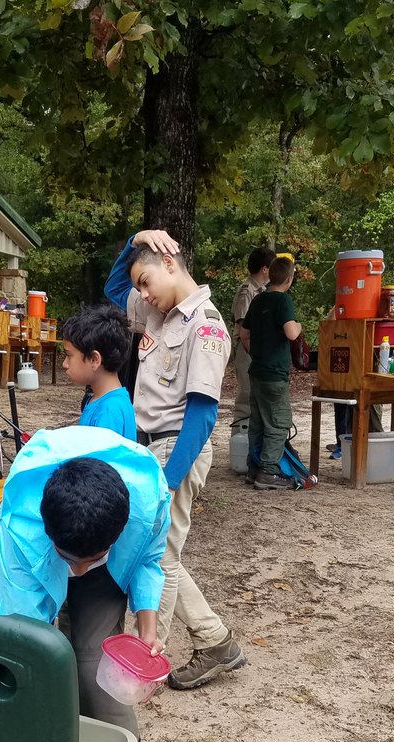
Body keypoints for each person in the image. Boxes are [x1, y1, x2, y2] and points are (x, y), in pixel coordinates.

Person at [0, 426, 171, 742]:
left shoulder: (147, 504)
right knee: (29, 680)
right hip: (44, 553)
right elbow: (22, 635)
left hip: (113, 554)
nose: (79, 570)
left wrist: (147, 624)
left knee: (95, 675)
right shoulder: (22, 529)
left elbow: (147, 558)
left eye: (89, 558)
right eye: (72, 560)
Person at [105, 229, 247, 690]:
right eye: (139, 287)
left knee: (160, 558)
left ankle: (144, 667)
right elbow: (112, 291)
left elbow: (203, 415)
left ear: (170, 263)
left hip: (175, 448)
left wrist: (168, 479)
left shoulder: (206, 326)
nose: (141, 294)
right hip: (148, 447)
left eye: (145, 281)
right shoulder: (154, 309)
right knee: (157, 552)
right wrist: (135, 241)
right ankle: (215, 640)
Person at [240, 255, 302, 489]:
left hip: (256, 370)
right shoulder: (283, 301)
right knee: (278, 423)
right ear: (288, 279)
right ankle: (268, 471)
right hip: (275, 374)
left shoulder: (258, 300)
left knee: (257, 422)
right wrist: (299, 325)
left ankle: (253, 468)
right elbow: (291, 333)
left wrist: (254, 351)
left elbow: (244, 333)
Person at [61, 304, 137, 441]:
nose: (65, 364)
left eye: (69, 356)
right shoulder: (101, 400)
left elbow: (99, 462)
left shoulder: (109, 410)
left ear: (94, 360)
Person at [230, 248, 274, 430]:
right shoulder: (247, 290)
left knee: (259, 396)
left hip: (259, 349)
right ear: (265, 269)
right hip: (247, 348)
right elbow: (242, 325)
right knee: (246, 395)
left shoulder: (264, 291)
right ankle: (238, 440)